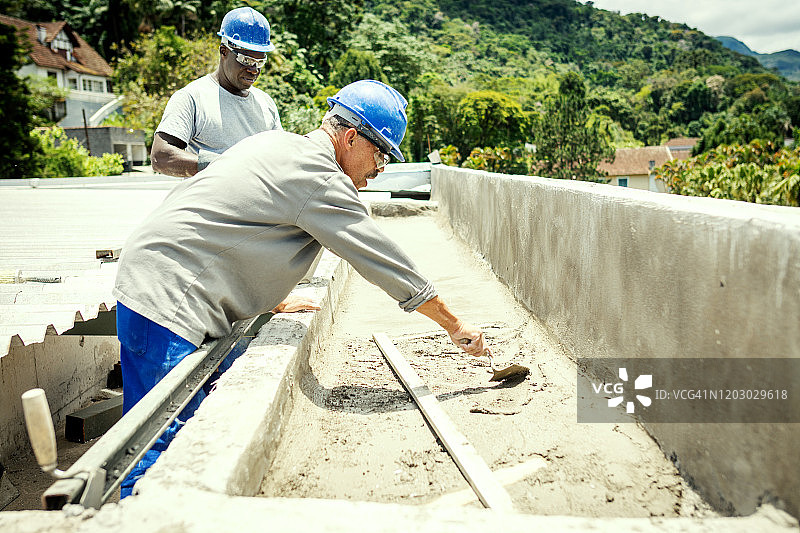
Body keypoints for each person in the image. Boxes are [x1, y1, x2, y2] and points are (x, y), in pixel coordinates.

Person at [114, 79, 488, 497]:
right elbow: (383, 260)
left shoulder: (280, 144)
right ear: (350, 137)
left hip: (158, 279)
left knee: (183, 427)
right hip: (167, 296)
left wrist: (270, 295)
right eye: (380, 152)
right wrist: (453, 325)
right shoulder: (320, 177)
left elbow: (237, 220)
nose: (380, 167)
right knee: (159, 446)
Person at [150, 6, 283, 178]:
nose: (253, 70)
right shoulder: (193, 97)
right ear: (224, 51)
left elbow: (280, 155)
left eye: (259, 62)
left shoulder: (266, 103)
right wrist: (225, 167)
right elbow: (161, 157)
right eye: (246, 60)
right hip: (209, 204)